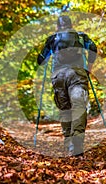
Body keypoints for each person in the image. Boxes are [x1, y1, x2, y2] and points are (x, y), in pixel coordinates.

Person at [37, 15, 97, 157]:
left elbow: (41, 61)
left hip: (58, 76)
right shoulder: (81, 37)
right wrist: (89, 68)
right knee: (78, 105)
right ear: (71, 25)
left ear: (58, 27)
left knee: (65, 109)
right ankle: (77, 141)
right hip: (77, 73)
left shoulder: (52, 39)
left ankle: (69, 143)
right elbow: (93, 49)